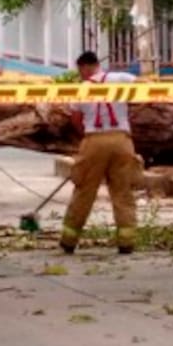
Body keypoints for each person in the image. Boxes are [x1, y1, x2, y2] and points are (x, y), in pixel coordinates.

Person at [61, 51, 141, 255]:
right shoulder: (121, 78)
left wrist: (87, 137)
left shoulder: (82, 88)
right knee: (123, 190)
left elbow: (75, 118)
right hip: (121, 140)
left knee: (84, 190)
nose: (81, 75)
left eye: (80, 70)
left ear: (86, 67)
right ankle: (126, 242)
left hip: (94, 140)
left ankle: (69, 240)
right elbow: (145, 86)